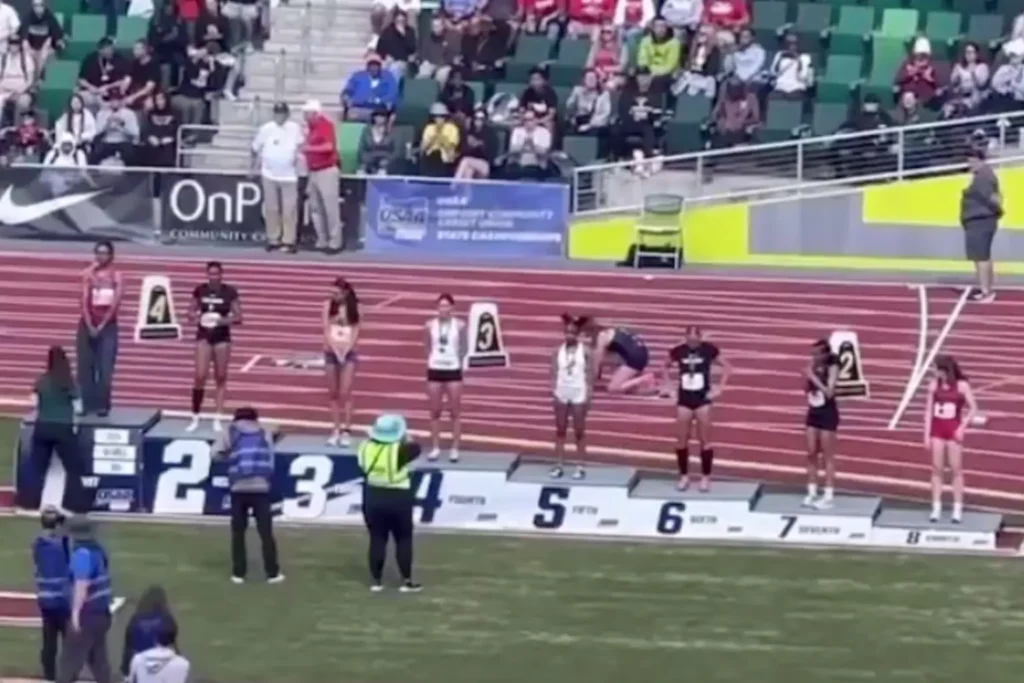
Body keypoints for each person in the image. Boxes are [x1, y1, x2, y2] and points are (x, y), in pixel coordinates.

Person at [214, 407, 284, 584]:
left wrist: (229, 457)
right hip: (261, 487)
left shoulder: (229, 432)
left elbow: (214, 454)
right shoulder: (264, 431)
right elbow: (280, 431)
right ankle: (273, 573)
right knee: (266, 532)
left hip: (238, 487)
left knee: (238, 533)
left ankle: (238, 573)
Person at [16, 347, 87, 513]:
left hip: (43, 427)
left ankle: (28, 503)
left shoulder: (42, 380)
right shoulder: (69, 382)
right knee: (74, 468)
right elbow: (79, 408)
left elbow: (33, 402)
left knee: (36, 467)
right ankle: (74, 505)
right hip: (64, 429)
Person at [358, 413, 422, 592]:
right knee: (403, 539)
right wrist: (406, 437)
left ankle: (376, 581)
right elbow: (416, 448)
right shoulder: (401, 450)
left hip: (373, 495)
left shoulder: (364, 447)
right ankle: (406, 581)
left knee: (377, 538)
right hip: (398, 496)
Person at [662, 326, 731, 491]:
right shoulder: (678, 351)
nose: (692, 341)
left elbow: (727, 367)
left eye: (695, 338)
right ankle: (684, 476)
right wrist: (669, 387)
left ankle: (705, 477)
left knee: (705, 439)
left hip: (702, 400)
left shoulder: (709, 349)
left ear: (700, 337)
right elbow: (664, 366)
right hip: (684, 400)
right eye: (690, 338)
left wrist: (720, 387)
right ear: (685, 337)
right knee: (681, 440)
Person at [187, 261, 242, 432]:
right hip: (203, 336)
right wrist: (198, 318)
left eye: (216, 274)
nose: (214, 277)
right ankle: (195, 415)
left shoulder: (229, 292)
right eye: (211, 274)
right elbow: (190, 312)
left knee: (221, 377)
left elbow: (238, 317)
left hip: (222, 338)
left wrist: (220, 321)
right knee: (200, 375)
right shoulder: (200, 290)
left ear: (221, 275)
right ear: (207, 275)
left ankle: (218, 416)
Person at [56, 516, 113, 683]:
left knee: (70, 661)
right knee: (98, 659)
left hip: (87, 613)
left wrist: (75, 614)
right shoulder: (98, 550)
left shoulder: (82, 554)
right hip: (102, 613)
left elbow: (82, 585)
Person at [924, 355, 978, 524]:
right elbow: (928, 411)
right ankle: (936, 507)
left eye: (936, 369)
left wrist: (962, 428)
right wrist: (926, 434)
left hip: (953, 431)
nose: (934, 372)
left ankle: (957, 508)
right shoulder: (934, 385)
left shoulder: (962, 386)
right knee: (936, 468)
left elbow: (973, 408)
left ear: (944, 370)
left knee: (956, 469)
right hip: (937, 431)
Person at [77, 240, 122, 416]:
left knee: (105, 367)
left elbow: (115, 304)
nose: (101, 256)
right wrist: (89, 324)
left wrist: (102, 325)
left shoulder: (116, 276)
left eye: (104, 253)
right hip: (87, 324)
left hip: (108, 326)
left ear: (111, 256)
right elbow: (83, 300)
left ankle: (103, 405)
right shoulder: (89, 274)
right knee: (85, 366)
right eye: (98, 253)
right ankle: (87, 404)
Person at [251, 100, 302, 253]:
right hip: (269, 174)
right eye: (277, 113)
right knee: (271, 209)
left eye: (282, 113)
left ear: (287, 114)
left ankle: (289, 241)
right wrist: (253, 167)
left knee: (289, 210)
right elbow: (255, 148)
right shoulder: (266, 129)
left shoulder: (295, 128)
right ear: (274, 114)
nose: (280, 116)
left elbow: (301, 146)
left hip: (289, 175)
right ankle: (273, 239)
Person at [551, 313, 592, 480]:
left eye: (573, 333)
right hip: (562, 391)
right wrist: (554, 391)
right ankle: (558, 464)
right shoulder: (557, 351)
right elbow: (553, 372)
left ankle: (580, 465)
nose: (569, 335)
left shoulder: (586, 351)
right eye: (567, 332)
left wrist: (589, 395)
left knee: (579, 430)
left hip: (578, 392)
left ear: (578, 334)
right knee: (560, 430)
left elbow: (590, 374)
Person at [424, 293, 465, 462]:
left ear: (452, 308)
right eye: (441, 306)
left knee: (454, 411)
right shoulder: (429, 325)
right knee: (435, 411)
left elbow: (464, 347)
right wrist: (433, 360)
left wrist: (458, 362)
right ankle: (435, 447)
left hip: (453, 370)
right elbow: (427, 346)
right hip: (435, 370)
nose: (444, 309)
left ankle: (455, 448)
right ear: (437, 308)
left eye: (447, 305)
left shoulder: (460, 325)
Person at [32, 506, 71, 683]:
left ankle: (49, 676)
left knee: (49, 641)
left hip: (45, 600)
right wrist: (62, 517)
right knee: (69, 642)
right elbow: (69, 529)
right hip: (63, 599)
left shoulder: (38, 544)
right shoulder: (63, 543)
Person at [301, 99, 343, 253]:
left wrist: (308, 148)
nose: (305, 116)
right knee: (316, 208)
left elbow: (329, 146)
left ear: (315, 113)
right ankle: (322, 239)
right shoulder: (311, 128)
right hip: (314, 171)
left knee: (330, 207)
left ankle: (335, 241)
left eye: (307, 113)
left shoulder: (325, 125)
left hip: (326, 170)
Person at [961, 147, 1001, 302]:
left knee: (981, 257)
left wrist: (997, 211)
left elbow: (993, 199)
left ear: (980, 160)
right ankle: (986, 289)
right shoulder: (983, 175)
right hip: (980, 220)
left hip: (981, 221)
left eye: (972, 161)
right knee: (983, 256)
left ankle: (986, 291)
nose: (969, 164)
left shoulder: (984, 177)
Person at [803, 339, 839, 509]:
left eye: (817, 354)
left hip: (827, 413)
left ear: (825, 354)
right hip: (813, 411)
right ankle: (812, 491)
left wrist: (813, 377)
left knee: (827, 455)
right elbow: (806, 388)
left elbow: (830, 393)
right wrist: (807, 380)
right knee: (811, 452)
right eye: (812, 354)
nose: (814, 357)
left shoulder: (832, 367)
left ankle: (828, 495)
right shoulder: (812, 365)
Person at [323, 277, 360, 447]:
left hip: (348, 353)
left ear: (345, 293)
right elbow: (326, 329)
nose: (333, 296)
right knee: (333, 392)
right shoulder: (327, 305)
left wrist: (345, 350)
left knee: (346, 391)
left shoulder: (355, 308)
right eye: (332, 293)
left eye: (336, 293)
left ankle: (347, 429)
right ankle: (335, 428)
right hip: (331, 353)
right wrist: (335, 349)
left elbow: (356, 331)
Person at [119, 585, 177, 679]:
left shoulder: (136, 619)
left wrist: (125, 670)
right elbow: (172, 644)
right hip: (162, 665)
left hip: (139, 665)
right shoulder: (167, 619)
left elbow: (128, 646)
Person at [585, 319, 652, 394]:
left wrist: (587, 382)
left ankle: (643, 379)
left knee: (613, 388)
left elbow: (595, 365)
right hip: (640, 353)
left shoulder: (601, 338)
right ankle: (633, 378)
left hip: (635, 358)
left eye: (587, 336)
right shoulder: (610, 331)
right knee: (604, 356)